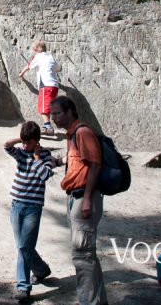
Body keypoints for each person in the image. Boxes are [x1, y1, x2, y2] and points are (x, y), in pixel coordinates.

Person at [50, 95, 108, 305]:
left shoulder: (83, 132)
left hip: (85, 197)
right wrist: (57, 161)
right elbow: (79, 161)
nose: (53, 117)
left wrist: (86, 200)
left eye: (57, 113)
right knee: (86, 256)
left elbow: (95, 165)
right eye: (52, 113)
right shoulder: (72, 135)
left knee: (82, 256)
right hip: (76, 197)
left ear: (70, 112)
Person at [4, 121, 56, 302]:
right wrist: (22, 137)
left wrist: (36, 158)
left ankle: (23, 287)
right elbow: (6, 145)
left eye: (28, 142)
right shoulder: (21, 152)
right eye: (24, 142)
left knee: (24, 247)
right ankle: (41, 269)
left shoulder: (45, 155)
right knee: (23, 246)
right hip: (16, 204)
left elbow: (45, 175)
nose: (25, 146)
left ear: (36, 141)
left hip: (33, 208)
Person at [18, 39, 61, 134]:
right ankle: (46, 127)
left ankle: (48, 127)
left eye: (34, 48)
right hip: (54, 86)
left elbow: (29, 66)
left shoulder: (38, 57)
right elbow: (58, 68)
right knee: (48, 106)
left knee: (42, 107)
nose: (33, 50)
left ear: (38, 49)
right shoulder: (50, 57)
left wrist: (21, 73)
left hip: (45, 85)